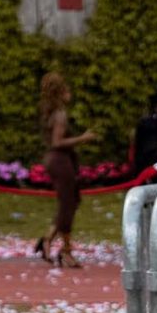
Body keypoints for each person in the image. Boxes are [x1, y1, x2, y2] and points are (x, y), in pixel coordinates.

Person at [39, 72, 95, 269]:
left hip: (58, 160)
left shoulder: (50, 112)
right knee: (67, 204)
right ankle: (66, 250)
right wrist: (83, 138)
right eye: (67, 89)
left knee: (71, 201)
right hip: (60, 160)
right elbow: (58, 141)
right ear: (61, 92)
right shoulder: (60, 115)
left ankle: (49, 239)